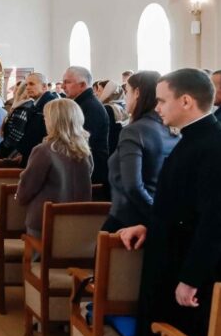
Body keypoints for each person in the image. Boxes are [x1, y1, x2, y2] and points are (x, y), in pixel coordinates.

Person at [120, 69, 221, 336]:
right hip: (167, 258)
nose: (157, 107)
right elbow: (182, 207)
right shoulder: (192, 139)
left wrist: (190, 279)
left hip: (184, 276)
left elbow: (215, 222)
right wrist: (149, 227)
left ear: (186, 101)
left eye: (163, 100)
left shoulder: (214, 146)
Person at [102, 71, 179, 232]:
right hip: (156, 210)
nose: (125, 97)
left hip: (128, 219)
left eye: (127, 91)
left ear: (137, 93)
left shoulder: (134, 131)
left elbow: (133, 186)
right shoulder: (169, 126)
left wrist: (155, 217)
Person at [15, 99, 94, 237]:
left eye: (45, 117)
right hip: (78, 221)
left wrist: (19, 196)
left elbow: (27, 189)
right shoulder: (85, 151)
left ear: (53, 121)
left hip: (46, 224)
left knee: (39, 257)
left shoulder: (44, 150)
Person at [61, 66, 110, 188]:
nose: (62, 86)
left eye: (67, 82)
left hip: (92, 174)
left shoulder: (90, 107)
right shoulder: (81, 104)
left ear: (82, 84)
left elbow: (82, 143)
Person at [17, 73, 58, 162]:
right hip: (32, 155)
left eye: (31, 84)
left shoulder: (51, 104)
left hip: (41, 158)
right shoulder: (36, 103)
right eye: (26, 84)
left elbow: (47, 134)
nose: (27, 87)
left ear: (44, 86)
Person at [0, 81, 34, 160]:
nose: (14, 93)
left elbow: (16, 134)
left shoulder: (23, 108)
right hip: (12, 149)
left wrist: (3, 147)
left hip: (13, 151)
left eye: (17, 90)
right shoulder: (21, 106)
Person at [98, 80, 130, 153]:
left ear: (108, 92)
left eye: (100, 90)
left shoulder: (108, 108)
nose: (96, 93)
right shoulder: (122, 105)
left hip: (110, 148)